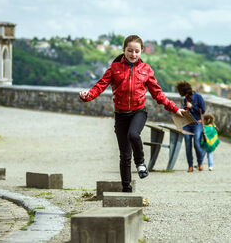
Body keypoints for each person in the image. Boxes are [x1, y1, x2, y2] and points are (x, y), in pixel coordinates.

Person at [79, 35, 185, 192]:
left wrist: (175, 108)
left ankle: (141, 163)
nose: (133, 54)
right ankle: (126, 188)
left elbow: (158, 94)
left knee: (133, 135)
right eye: (130, 50)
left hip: (138, 112)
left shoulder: (146, 70)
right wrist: (87, 96)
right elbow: (99, 87)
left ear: (142, 51)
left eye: (137, 51)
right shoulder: (114, 68)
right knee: (124, 155)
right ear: (124, 50)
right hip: (121, 115)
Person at [176, 81, 206, 172]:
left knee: (196, 143)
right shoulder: (185, 99)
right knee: (187, 145)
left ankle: (200, 163)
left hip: (197, 123)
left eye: (185, 94)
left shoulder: (198, 97)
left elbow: (203, 110)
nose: (184, 97)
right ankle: (190, 165)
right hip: (187, 124)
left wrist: (192, 106)